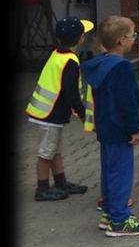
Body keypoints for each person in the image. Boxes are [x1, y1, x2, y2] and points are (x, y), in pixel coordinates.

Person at [82, 16, 139, 237]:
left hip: (105, 126)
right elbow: (126, 102)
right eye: (132, 35)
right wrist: (134, 128)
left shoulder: (100, 64)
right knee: (121, 173)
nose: (134, 39)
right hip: (120, 128)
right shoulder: (122, 68)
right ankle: (119, 220)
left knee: (109, 171)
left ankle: (109, 212)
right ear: (121, 40)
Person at [25, 15, 94, 201]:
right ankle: (42, 188)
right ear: (80, 39)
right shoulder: (70, 61)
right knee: (46, 153)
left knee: (54, 150)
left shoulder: (58, 54)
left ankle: (61, 182)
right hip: (49, 115)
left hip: (47, 113)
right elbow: (71, 92)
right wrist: (83, 114)